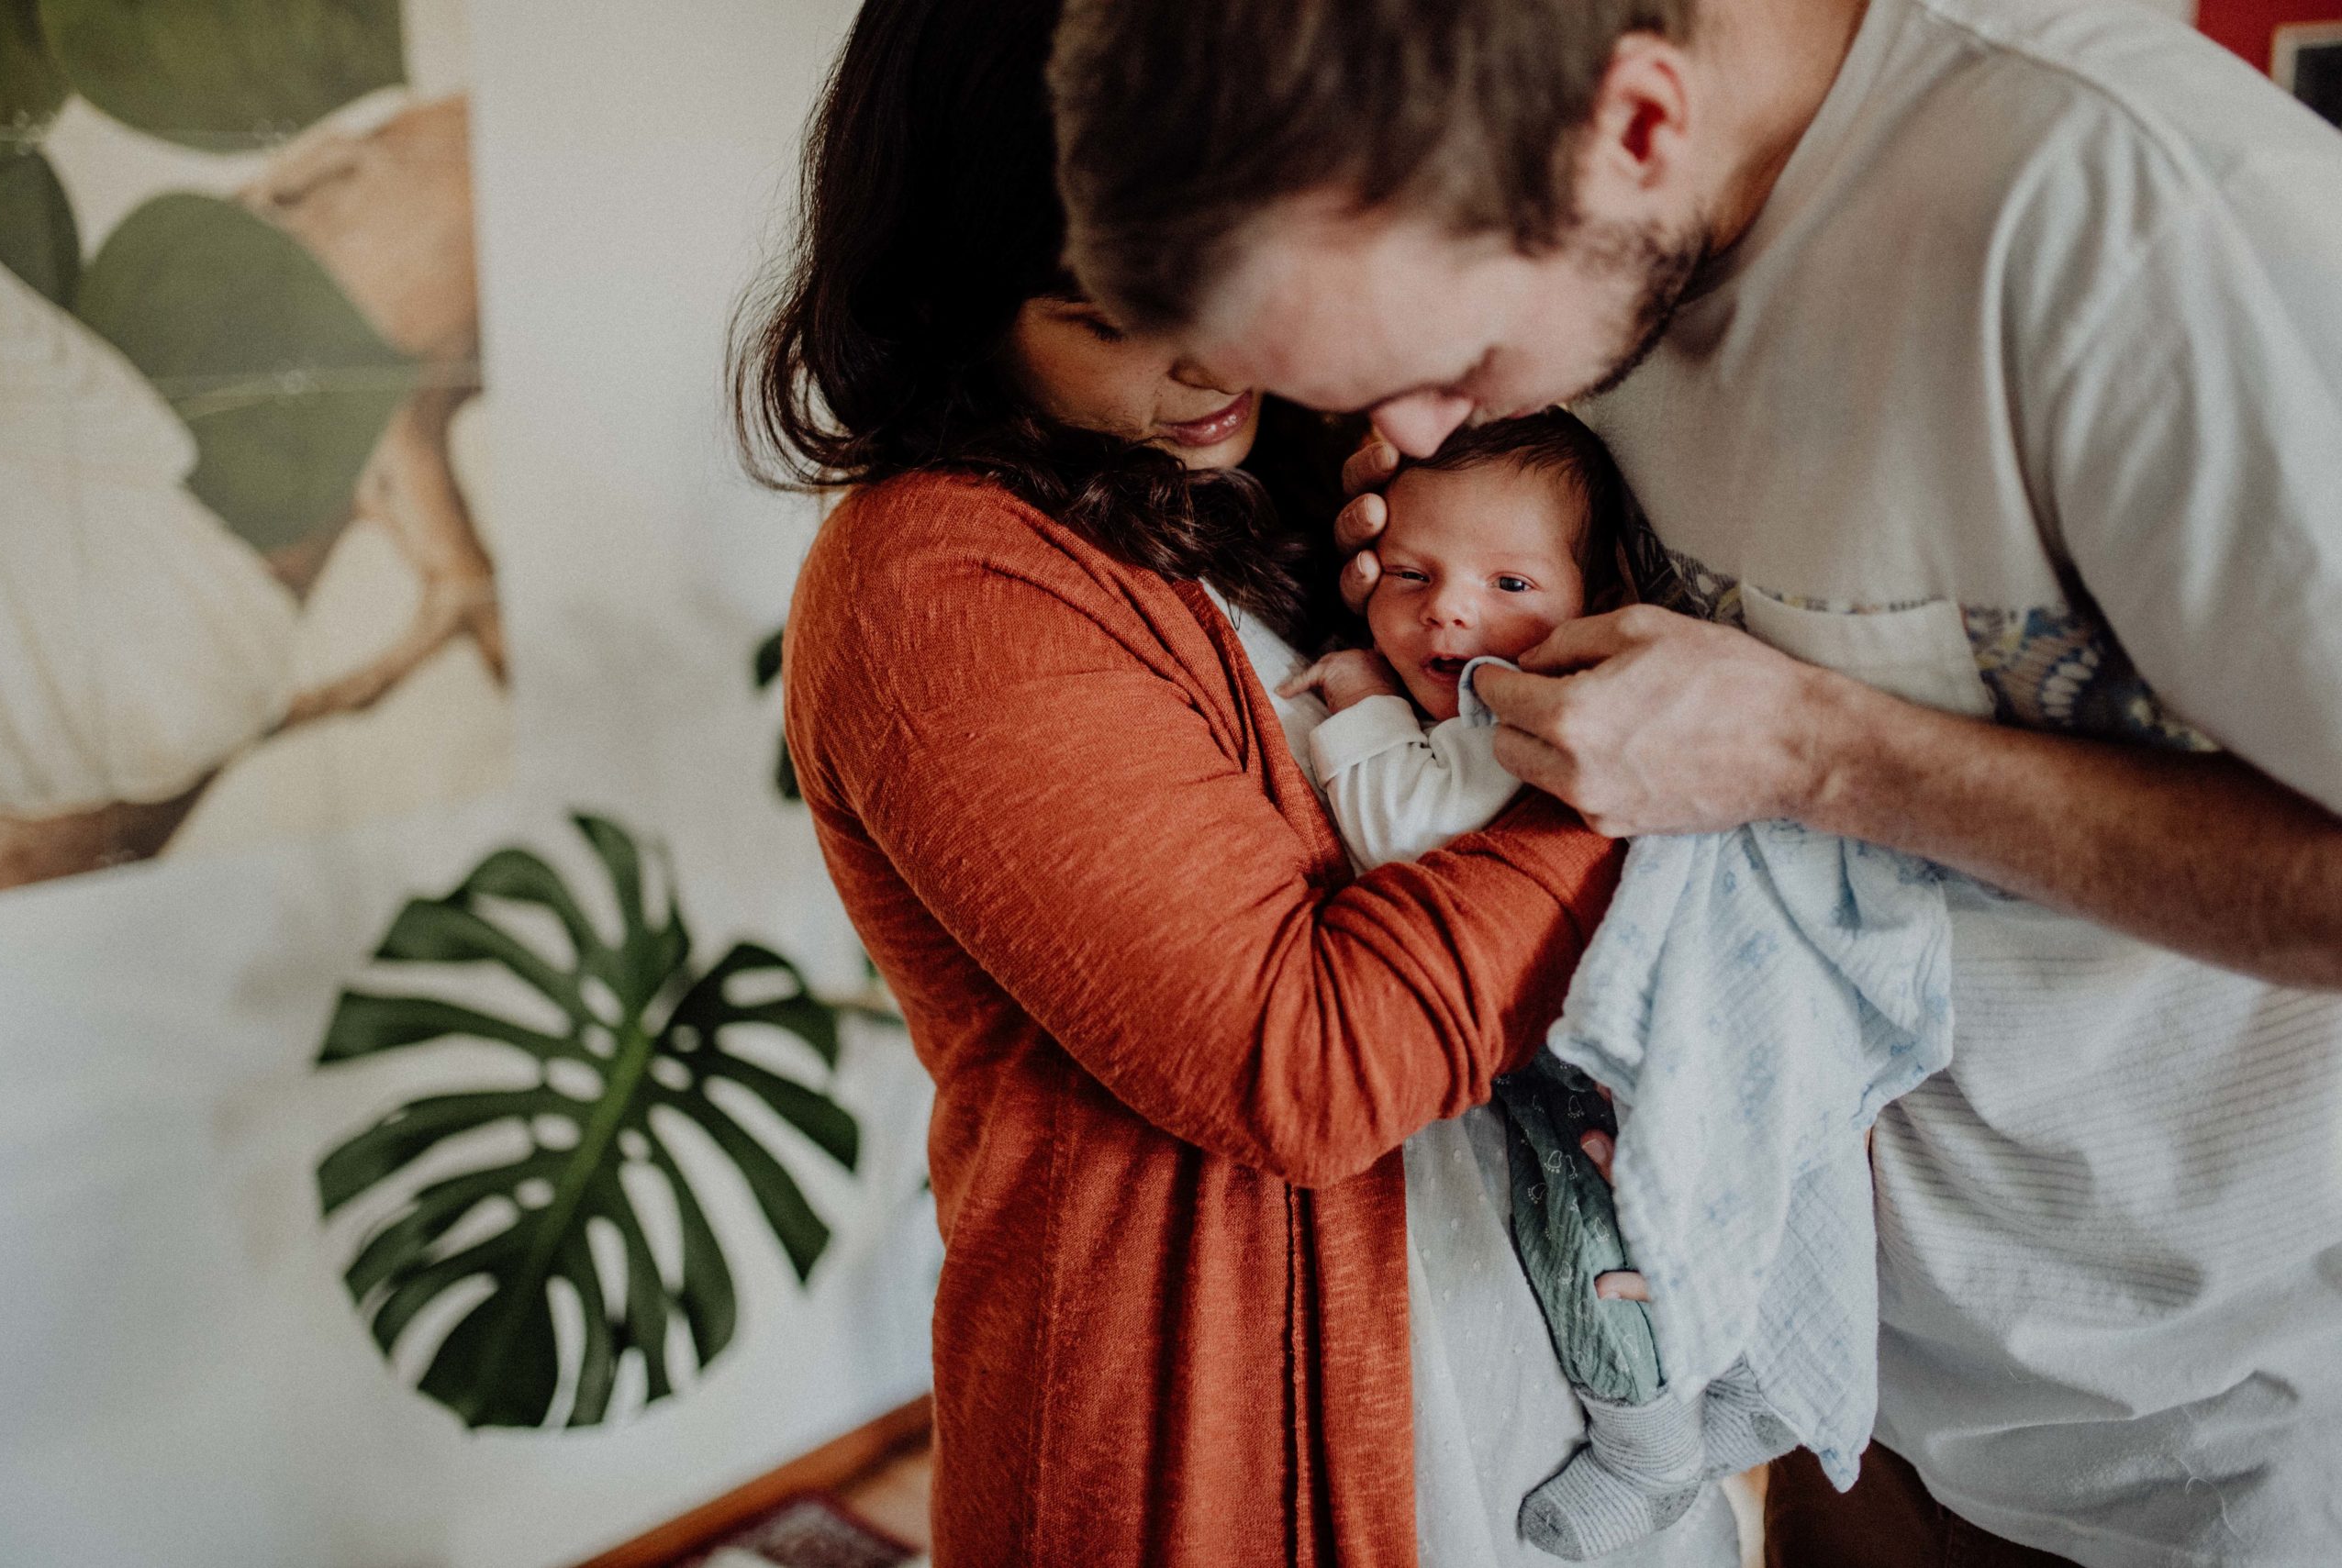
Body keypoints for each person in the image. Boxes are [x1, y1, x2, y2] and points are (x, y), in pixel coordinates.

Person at [1048, 0, 2342, 1563]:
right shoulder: (1572, 216)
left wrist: (1821, 752)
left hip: (2201, 1442)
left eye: (1450, 368)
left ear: (1643, 124)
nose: (1412, 433)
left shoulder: (2136, 232)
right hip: (1832, 1392)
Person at [733, 1, 1748, 1562]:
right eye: (1110, 309)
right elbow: (1304, 1057)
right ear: (950, 300)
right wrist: (1630, 768)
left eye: (1226, 266)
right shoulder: (934, 580)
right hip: (1223, 1430)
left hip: (1518, 1350)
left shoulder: (1284, 473)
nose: (1213, 351)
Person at [1280, 411, 1627, 870]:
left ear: (1598, 612)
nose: (1444, 607)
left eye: (1510, 585)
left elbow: (1408, 836)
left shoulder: (1528, 710)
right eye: (1410, 574)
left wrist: (1366, 696)